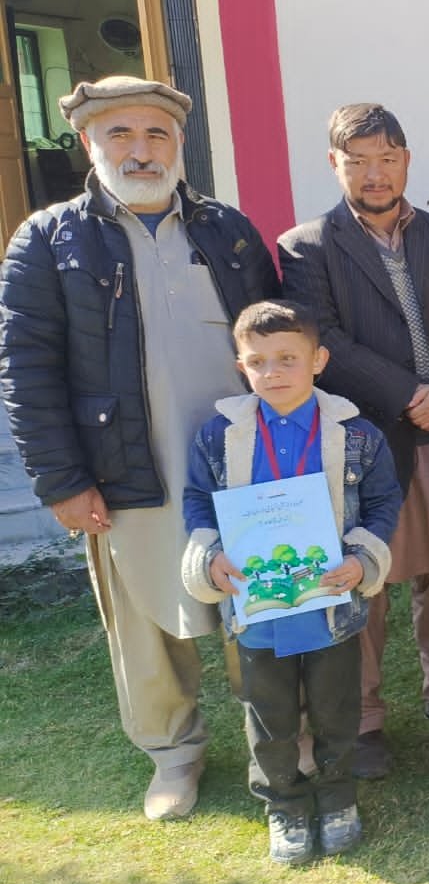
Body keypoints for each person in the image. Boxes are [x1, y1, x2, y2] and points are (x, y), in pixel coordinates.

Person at [0, 75, 279, 820]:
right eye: (119, 133)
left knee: (258, 600)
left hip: (240, 465)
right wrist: (61, 479)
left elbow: (277, 336)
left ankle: (278, 737)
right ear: (88, 142)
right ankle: (173, 754)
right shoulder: (48, 239)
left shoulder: (228, 229)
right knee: (147, 624)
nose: (140, 150)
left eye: (157, 133)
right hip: (127, 462)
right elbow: (26, 367)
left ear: (179, 143)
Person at [278, 104, 429, 781]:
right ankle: (362, 717)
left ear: (405, 160)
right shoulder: (307, 246)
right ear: (334, 164)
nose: (375, 174)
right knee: (363, 579)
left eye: (387, 158)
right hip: (367, 440)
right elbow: (324, 341)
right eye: (358, 161)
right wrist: (409, 395)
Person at [179, 301, 402, 863]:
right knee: (268, 715)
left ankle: (337, 797)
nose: (273, 372)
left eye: (288, 359)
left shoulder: (356, 435)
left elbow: (382, 503)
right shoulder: (218, 436)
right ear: (240, 366)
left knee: (336, 710)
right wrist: (210, 555)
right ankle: (284, 804)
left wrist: (363, 560)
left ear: (318, 360)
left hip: (330, 604)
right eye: (258, 362)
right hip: (257, 609)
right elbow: (198, 501)